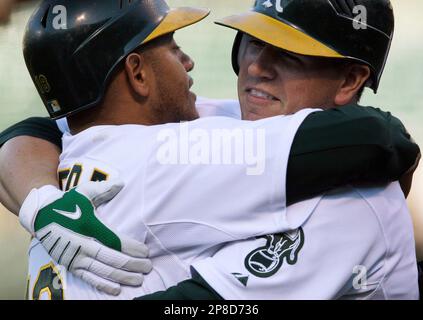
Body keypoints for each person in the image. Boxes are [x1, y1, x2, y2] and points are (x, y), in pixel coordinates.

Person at [0, 0, 420, 299]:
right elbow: (378, 136)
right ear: (136, 73)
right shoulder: (172, 146)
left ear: (350, 80)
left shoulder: (354, 203)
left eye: (288, 53)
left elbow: (36, 130)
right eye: (253, 41)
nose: (255, 66)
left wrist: (39, 199)